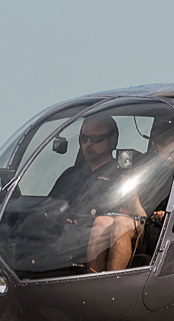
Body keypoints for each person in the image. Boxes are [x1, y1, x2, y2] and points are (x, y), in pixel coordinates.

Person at [49, 113, 143, 272]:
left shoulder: (123, 176)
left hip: (103, 233)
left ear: (111, 141)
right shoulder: (70, 175)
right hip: (70, 239)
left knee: (103, 222)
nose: (88, 144)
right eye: (84, 139)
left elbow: (140, 216)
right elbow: (48, 208)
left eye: (96, 139)